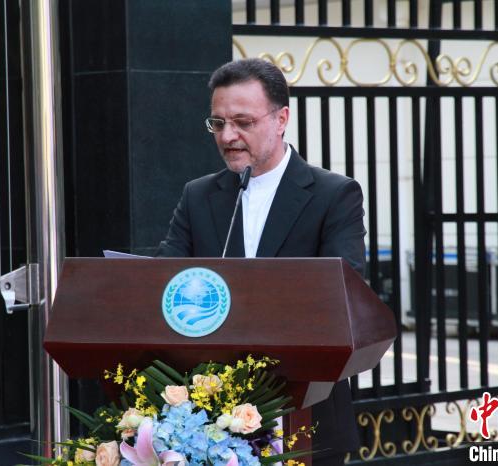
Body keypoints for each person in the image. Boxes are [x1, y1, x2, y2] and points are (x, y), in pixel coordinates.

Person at [156, 58, 366, 465]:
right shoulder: (198, 196)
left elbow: (343, 291)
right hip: (206, 419)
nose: (228, 136)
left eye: (243, 122)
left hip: (306, 413)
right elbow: (164, 280)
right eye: (218, 123)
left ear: (281, 119)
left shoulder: (333, 194)